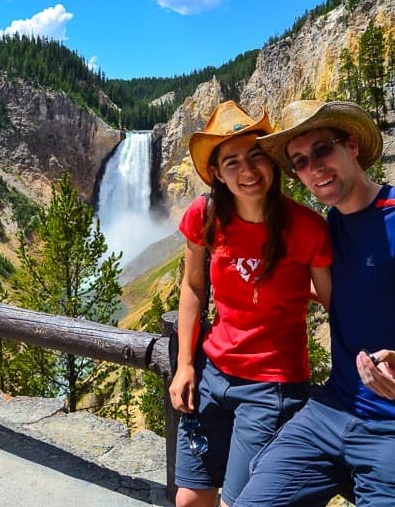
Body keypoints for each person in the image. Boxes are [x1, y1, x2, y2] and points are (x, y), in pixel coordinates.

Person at [169, 101, 332, 507]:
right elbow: (192, 287)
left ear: (272, 162)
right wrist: (186, 365)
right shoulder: (204, 216)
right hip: (213, 374)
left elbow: (338, 305)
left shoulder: (306, 228)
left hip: (272, 385)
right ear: (217, 175)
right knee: (190, 498)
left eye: (256, 154)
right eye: (232, 162)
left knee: (239, 504)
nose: (247, 170)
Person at [234, 99, 395, 507]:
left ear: (352, 145)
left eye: (323, 149)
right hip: (329, 411)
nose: (314, 168)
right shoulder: (323, 231)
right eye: (300, 161)